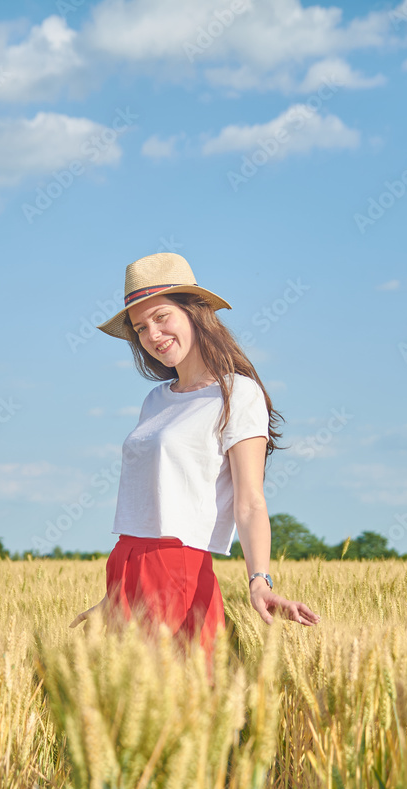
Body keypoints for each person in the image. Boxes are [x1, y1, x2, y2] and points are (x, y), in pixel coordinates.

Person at [69, 252, 320, 677]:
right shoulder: (155, 400)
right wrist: (117, 597)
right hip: (126, 563)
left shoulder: (237, 394)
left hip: (177, 568)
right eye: (141, 328)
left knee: (178, 704)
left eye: (162, 317)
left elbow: (250, 501)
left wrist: (260, 579)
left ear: (195, 313)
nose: (153, 334)